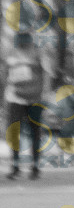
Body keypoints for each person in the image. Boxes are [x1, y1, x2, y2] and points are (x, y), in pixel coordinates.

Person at [4, 30, 45, 181]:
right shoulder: (10, 53)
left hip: (34, 98)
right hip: (15, 97)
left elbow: (46, 73)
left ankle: (35, 167)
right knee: (14, 131)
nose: (22, 39)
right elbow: (5, 74)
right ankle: (15, 167)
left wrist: (44, 92)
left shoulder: (37, 53)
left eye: (25, 36)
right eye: (20, 36)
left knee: (34, 131)